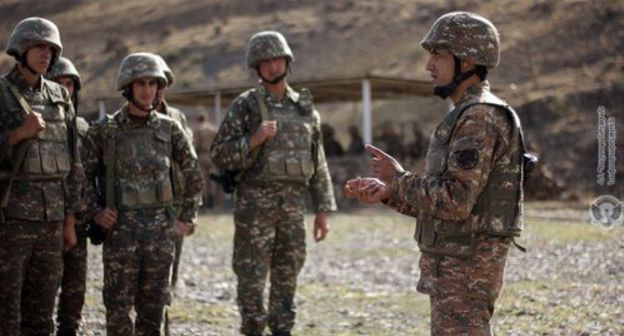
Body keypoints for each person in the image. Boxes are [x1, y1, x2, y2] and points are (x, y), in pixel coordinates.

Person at [345, 12, 528, 335]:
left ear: (469, 61)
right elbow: (446, 205)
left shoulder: (479, 117)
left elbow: (455, 201)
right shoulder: (467, 115)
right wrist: (390, 192)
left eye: (439, 55)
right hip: (457, 264)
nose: (429, 65)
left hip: (466, 268)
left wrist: (400, 179)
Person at [210, 31, 337, 336]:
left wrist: (322, 209)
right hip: (255, 209)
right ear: (256, 66)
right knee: (251, 278)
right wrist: (253, 140)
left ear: (286, 61)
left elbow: (317, 160)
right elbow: (219, 154)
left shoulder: (304, 108)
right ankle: (252, 329)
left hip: (293, 208)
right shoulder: (246, 105)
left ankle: (283, 330)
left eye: (276, 58)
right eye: (264, 61)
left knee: (287, 277)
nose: (271, 66)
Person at [82, 52, 204, 335]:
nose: (148, 90)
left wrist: (187, 216)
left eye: (153, 84)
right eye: (141, 84)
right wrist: (96, 212)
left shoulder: (170, 128)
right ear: (128, 87)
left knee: (153, 312)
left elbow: (194, 173)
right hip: (120, 235)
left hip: (160, 235)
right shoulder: (105, 130)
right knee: (118, 312)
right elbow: (81, 177)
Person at [0, 17, 83, 335]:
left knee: (42, 311)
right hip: (12, 221)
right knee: (7, 311)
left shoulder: (60, 98)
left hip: (52, 221)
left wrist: (70, 219)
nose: (45, 54)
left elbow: (74, 163)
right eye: (38, 47)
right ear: (20, 50)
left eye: (51, 49)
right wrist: (17, 134)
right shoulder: (2, 93)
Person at [152, 53, 198, 336]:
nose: (154, 90)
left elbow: (191, 169)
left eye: (159, 84)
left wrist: (190, 213)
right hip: (136, 213)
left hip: (172, 211)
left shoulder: (177, 118)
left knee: (167, 280)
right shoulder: (120, 121)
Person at [46, 56, 91, 336]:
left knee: (75, 289)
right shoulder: (38, 124)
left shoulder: (85, 128)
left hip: (79, 220)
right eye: (59, 83)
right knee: (42, 289)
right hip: (44, 218)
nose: (65, 90)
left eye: (70, 84)